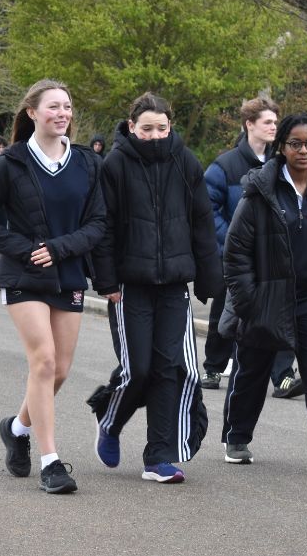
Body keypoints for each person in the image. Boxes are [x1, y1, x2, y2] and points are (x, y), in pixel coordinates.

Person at [0, 79, 107, 495]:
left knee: (60, 370)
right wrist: (30, 250)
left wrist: (60, 249)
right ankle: (51, 462)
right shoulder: (9, 164)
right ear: (32, 112)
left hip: (68, 275)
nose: (62, 113)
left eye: (67, 106)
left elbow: (99, 224)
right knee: (44, 362)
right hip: (23, 276)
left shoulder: (87, 163)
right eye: (53, 107)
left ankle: (16, 428)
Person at [218, 113, 307, 477]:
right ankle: (237, 436)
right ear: (281, 147)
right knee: (253, 370)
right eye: (295, 143)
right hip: (265, 296)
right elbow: (235, 252)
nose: (303, 150)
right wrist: (249, 300)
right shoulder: (260, 193)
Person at [88, 93, 222, 484]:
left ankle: (158, 457)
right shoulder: (114, 165)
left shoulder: (186, 162)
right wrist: (106, 279)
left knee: (170, 368)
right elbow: (105, 225)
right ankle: (109, 421)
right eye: (146, 128)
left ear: (170, 126)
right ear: (132, 127)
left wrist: (209, 276)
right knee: (138, 368)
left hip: (174, 284)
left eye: (161, 128)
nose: (155, 135)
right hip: (130, 285)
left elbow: (201, 221)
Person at [202, 97, 300, 397]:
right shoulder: (225, 165)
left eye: (275, 122)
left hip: (275, 256)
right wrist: (234, 242)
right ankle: (213, 366)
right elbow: (208, 210)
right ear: (249, 124)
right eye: (268, 122)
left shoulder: (282, 164)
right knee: (226, 311)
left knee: (282, 313)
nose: (274, 127)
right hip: (238, 257)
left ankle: (283, 376)